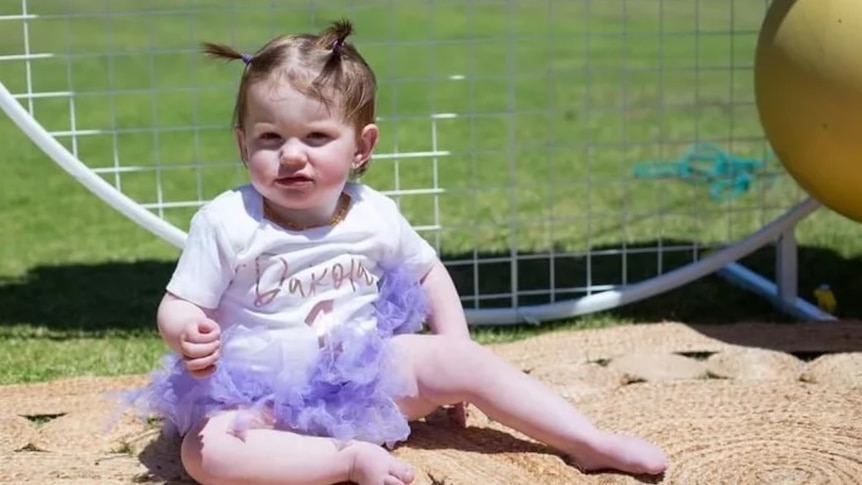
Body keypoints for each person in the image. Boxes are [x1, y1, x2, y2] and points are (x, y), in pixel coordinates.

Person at [127, 18, 668, 485]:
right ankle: (344, 458)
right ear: (244, 144)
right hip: (263, 402)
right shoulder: (227, 221)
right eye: (270, 138)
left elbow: (428, 273)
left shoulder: (372, 214)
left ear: (361, 148)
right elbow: (180, 302)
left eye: (316, 137)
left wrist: (455, 352)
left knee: (459, 358)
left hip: (369, 380)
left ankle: (587, 442)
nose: (291, 155)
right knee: (205, 454)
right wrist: (185, 331)